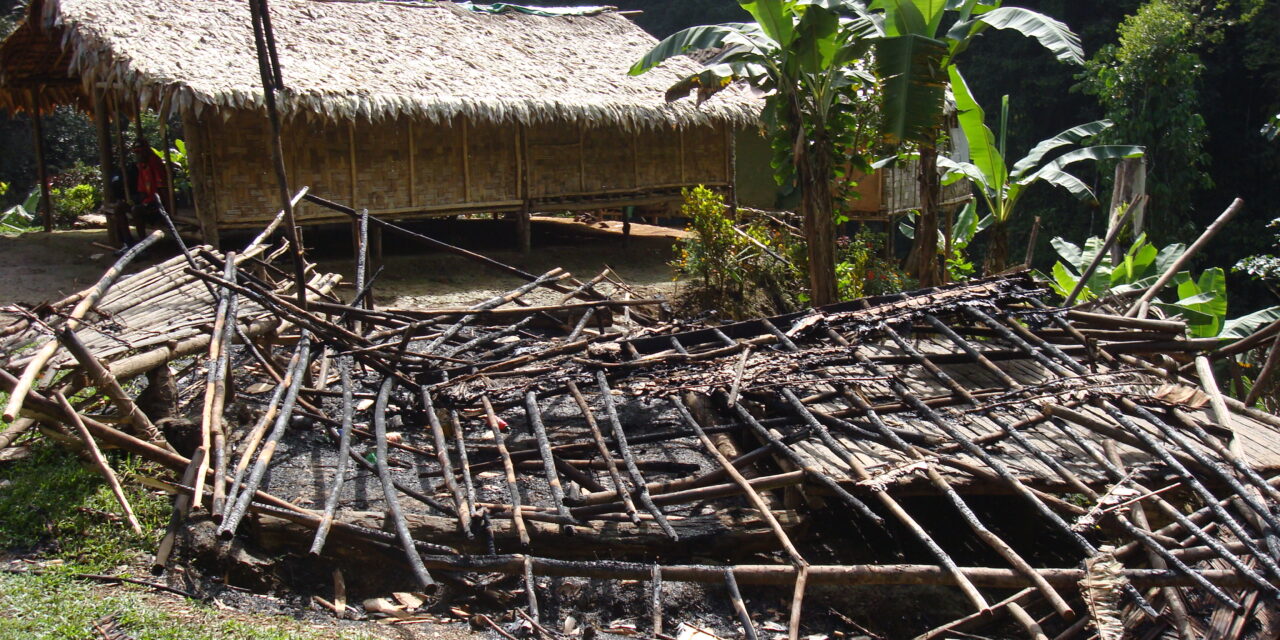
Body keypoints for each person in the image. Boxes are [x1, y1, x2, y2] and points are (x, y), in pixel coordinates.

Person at [130, 143, 167, 239]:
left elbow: (162, 188)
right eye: (135, 153)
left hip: (157, 204)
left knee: (136, 211)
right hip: (148, 202)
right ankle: (127, 242)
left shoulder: (155, 163)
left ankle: (142, 243)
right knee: (120, 208)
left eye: (139, 152)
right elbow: (142, 190)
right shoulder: (142, 166)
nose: (137, 155)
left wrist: (164, 208)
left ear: (146, 151)